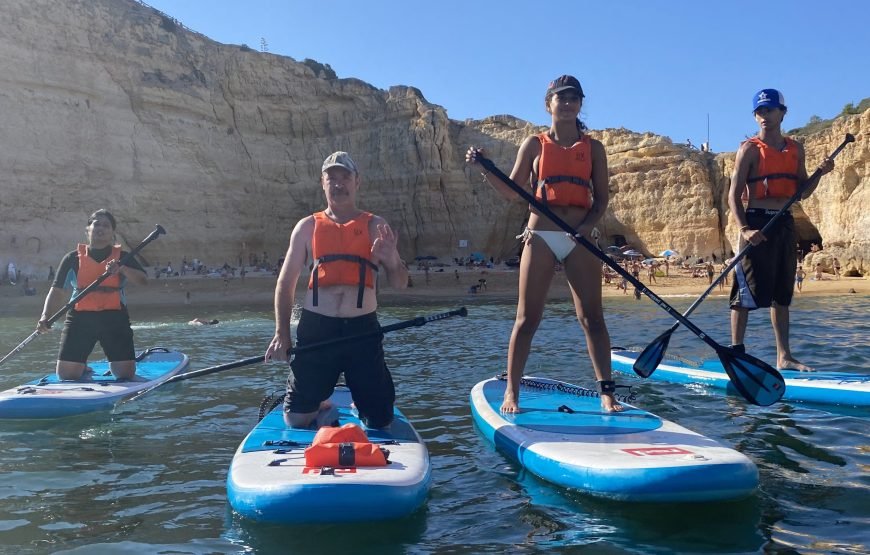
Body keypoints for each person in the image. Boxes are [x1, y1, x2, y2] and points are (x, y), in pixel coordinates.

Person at [466, 75, 623, 413]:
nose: (566, 104)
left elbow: (600, 201)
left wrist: (585, 228)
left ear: (580, 104)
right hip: (540, 236)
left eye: (573, 98)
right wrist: (485, 169)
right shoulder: (534, 145)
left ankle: (607, 394)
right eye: (560, 98)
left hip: (578, 236)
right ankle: (512, 392)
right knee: (527, 318)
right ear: (548, 103)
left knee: (592, 318)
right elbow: (512, 191)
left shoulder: (594, 148)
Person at [265, 151, 408, 429]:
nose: (339, 183)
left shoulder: (376, 225)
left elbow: (401, 282)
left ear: (357, 182)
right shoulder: (307, 227)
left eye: (346, 177)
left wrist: (391, 258)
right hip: (317, 329)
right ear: (323, 183)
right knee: (295, 419)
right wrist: (282, 334)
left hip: (363, 331)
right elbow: (285, 283)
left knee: (380, 421)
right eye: (332, 178)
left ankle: (362, 402)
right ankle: (320, 402)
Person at [728, 89, 834, 372]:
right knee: (745, 293)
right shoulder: (749, 149)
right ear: (755, 116)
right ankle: (737, 352)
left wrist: (820, 174)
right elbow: (733, 195)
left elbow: (803, 192)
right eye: (760, 111)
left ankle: (784, 356)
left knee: (782, 293)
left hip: (784, 222)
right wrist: (745, 229)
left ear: (782, 113)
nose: (765, 116)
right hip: (756, 221)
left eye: (770, 110)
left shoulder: (795, 148)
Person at [36, 209, 147, 380]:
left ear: (112, 233)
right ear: (87, 229)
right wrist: (45, 316)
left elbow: (143, 281)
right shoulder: (71, 258)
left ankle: (99, 364)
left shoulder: (123, 258)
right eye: (96, 224)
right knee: (67, 376)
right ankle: (81, 367)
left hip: (115, 317)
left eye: (106, 225)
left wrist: (122, 269)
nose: (101, 228)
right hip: (80, 318)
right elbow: (57, 290)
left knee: (125, 374)